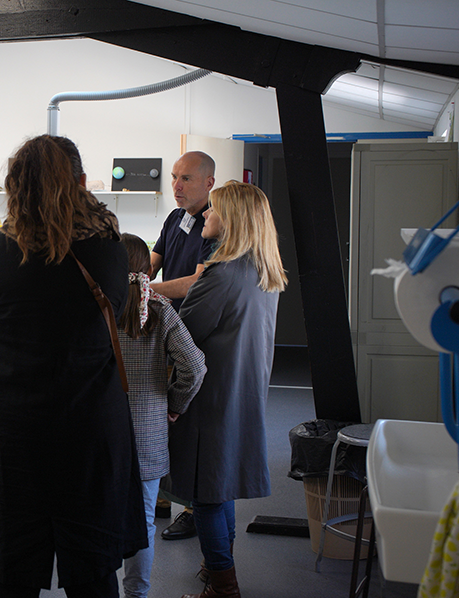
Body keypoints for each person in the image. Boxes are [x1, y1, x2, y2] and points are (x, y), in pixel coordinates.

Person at [0, 135, 147, 598]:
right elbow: (114, 315)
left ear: (16, 188)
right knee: (94, 570)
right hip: (88, 424)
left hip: (11, 429)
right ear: (81, 183)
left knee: (10, 569)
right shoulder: (109, 249)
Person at [170, 181, 287, 598]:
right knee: (222, 484)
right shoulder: (262, 270)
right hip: (242, 392)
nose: (205, 214)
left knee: (205, 494)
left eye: (214, 209)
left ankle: (223, 583)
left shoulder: (222, 274)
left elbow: (184, 335)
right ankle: (217, 564)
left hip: (211, 397)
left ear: (232, 219)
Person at [117, 233, 207, 598]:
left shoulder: (98, 307)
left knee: (100, 520)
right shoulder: (160, 309)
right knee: (144, 522)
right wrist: (174, 404)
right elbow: (195, 367)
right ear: (147, 269)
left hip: (102, 433)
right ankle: (136, 593)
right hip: (148, 434)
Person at [150, 150, 217, 542]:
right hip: (162, 331)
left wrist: (145, 291)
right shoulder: (175, 218)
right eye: (174, 176)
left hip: (193, 334)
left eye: (186, 178)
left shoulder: (215, 225)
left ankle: (192, 507)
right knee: (160, 416)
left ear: (209, 183)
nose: (176, 185)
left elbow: (197, 282)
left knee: (188, 424)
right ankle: (160, 496)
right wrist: (130, 279)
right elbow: (153, 261)